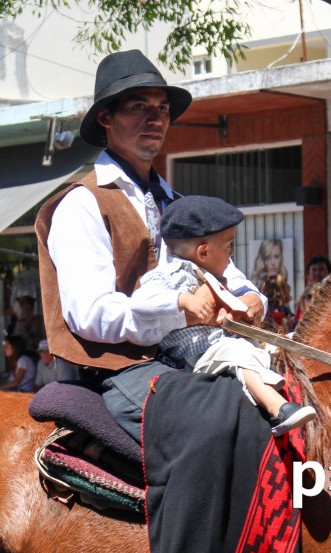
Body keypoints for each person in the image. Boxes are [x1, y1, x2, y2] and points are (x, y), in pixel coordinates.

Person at [36, 49, 266, 441]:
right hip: (113, 371)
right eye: (139, 106)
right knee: (217, 423)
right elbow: (90, 314)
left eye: (161, 108)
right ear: (106, 118)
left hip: (186, 356)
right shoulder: (82, 203)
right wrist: (182, 312)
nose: (155, 118)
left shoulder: (175, 203)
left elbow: (225, 270)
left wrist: (249, 296)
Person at [132, 195, 316, 435]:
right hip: (192, 355)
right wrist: (183, 301)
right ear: (204, 251)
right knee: (236, 352)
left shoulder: (216, 274)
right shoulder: (170, 275)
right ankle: (278, 408)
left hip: (220, 345)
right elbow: (139, 302)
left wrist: (249, 304)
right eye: (229, 246)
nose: (231, 254)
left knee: (276, 344)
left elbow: (252, 294)